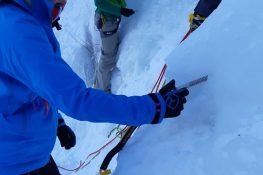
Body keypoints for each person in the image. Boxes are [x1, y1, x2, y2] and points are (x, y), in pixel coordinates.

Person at [0, 0, 189, 174]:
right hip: (15, 165)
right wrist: (153, 107)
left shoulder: (25, 15)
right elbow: (78, 101)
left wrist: (57, 121)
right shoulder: (16, 31)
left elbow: (31, 84)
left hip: (29, 155)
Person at [94, 0, 135, 92]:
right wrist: (120, 10)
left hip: (109, 18)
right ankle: (101, 92)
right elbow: (99, 2)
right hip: (107, 20)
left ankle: (98, 85)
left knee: (107, 53)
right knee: (108, 57)